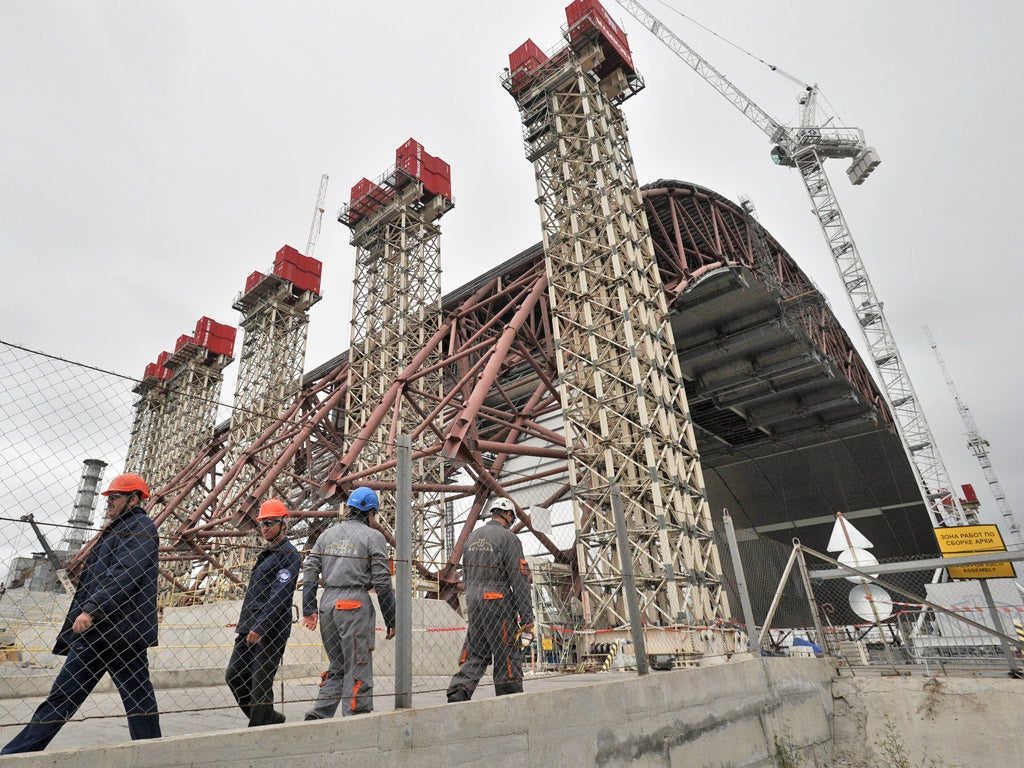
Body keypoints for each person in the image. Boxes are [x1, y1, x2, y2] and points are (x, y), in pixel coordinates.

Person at [2, 473, 161, 754]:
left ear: (134, 499)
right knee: (64, 697)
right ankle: (15, 755)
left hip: (119, 633)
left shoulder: (141, 527)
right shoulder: (116, 530)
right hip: (100, 634)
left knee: (138, 701)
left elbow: (125, 574)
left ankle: (153, 753)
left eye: (115, 497)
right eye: (108, 498)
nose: (108, 503)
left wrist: (91, 610)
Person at [301, 486, 396, 719]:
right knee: (358, 664)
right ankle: (357, 717)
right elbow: (382, 582)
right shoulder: (374, 537)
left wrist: (309, 608)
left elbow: (311, 569)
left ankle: (320, 713)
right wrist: (391, 617)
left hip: (327, 604)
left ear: (350, 509)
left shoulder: (327, 535)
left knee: (337, 666)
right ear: (371, 513)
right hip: (353, 604)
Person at [447, 496, 534, 702]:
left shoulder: (472, 537)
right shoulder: (509, 538)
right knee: (506, 652)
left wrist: (472, 598)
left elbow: (466, 574)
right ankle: (510, 699)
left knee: (477, 650)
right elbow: (518, 579)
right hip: (498, 602)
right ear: (509, 515)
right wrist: (527, 617)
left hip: (474, 602)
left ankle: (458, 691)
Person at [225, 499, 300, 727]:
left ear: (283, 524)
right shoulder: (266, 554)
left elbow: (280, 595)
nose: (265, 528)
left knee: (260, 683)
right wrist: (249, 625)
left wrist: (261, 626)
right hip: (249, 626)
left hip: (270, 630)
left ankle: (257, 730)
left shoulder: (289, 555)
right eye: (262, 524)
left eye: (270, 523)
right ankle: (268, 718)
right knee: (234, 675)